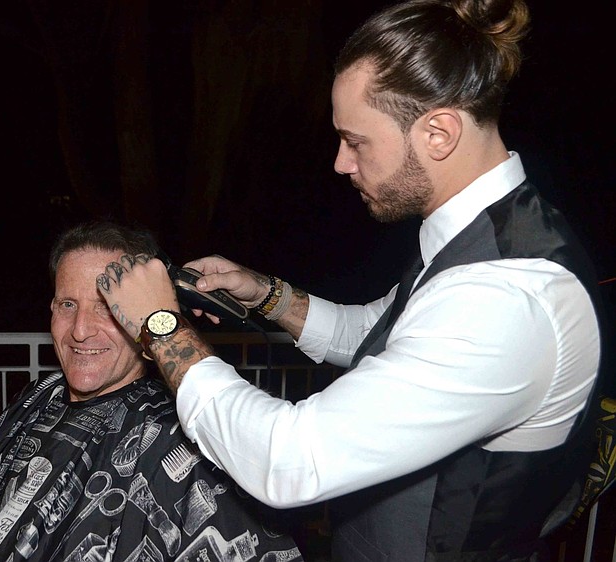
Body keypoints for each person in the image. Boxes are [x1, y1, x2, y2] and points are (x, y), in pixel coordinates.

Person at [94, 0, 607, 560]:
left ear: (438, 134)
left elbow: (286, 459)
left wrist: (159, 325)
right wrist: (265, 294)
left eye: (356, 141)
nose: (340, 162)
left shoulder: (508, 299)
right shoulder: (476, 240)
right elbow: (375, 332)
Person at [0, 221, 304, 562]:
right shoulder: (36, 399)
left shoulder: (182, 441)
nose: (81, 330)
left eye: (108, 307)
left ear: (144, 313)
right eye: (67, 303)